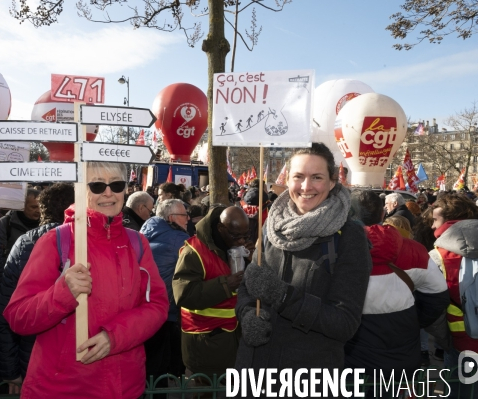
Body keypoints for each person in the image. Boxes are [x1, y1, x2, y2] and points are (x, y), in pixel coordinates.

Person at [3, 162, 169, 399]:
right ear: (81, 190)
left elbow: (158, 306)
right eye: (97, 185)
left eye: (117, 185)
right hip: (62, 389)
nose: (108, 193)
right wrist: (62, 294)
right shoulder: (55, 241)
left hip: (125, 387)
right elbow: (18, 316)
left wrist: (114, 337)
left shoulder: (137, 243)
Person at [234, 143, 372, 392]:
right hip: (254, 373)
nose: (306, 187)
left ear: (332, 182)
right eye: (298, 177)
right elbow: (249, 286)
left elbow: (344, 323)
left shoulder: (350, 236)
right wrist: (246, 314)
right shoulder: (270, 226)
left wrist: (284, 296)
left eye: (317, 177)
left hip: (309, 380)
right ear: (287, 180)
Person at [346, 190, 448, 383]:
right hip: (399, 351)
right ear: (383, 213)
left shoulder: (334, 248)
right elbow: (438, 295)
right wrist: (414, 318)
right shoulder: (414, 249)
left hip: (349, 354)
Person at [0, 183, 75, 394]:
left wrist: (10, 370)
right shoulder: (26, 243)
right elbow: (9, 309)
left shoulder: (25, 242)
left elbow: (4, 308)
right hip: (43, 350)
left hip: (35, 353)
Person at [172, 206, 249, 381]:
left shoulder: (238, 248)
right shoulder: (194, 252)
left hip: (236, 343)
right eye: (236, 236)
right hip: (206, 346)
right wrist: (225, 284)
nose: (241, 241)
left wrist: (251, 260)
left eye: (246, 236)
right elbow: (184, 294)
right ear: (221, 229)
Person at [431, 194, 478, 399]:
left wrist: (443, 340)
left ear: (448, 220)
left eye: (435, 220)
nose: (431, 226)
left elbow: (432, 307)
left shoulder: (438, 255)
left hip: (461, 342)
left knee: (460, 392)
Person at [140, 199, 190, 385]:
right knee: (161, 368)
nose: (188, 219)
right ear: (171, 218)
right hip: (167, 311)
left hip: (142, 307)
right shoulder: (180, 240)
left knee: (149, 366)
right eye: (184, 215)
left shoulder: (144, 231)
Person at [0, 188, 41, 276]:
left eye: (40, 206)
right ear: (22, 206)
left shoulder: (45, 224)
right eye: (34, 207)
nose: (38, 211)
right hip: (11, 275)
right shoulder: (5, 223)